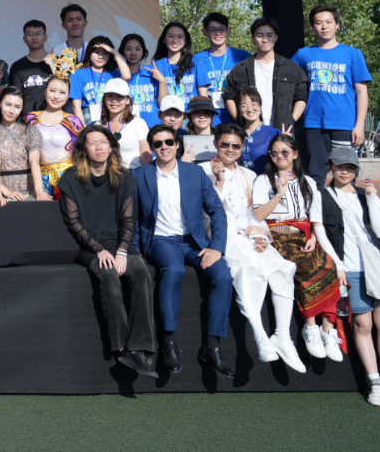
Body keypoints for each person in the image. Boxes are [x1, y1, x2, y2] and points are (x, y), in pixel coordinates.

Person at [133, 124, 235, 377]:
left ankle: (211, 346)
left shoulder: (194, 173)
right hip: (160, 241)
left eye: (169, 142)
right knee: (174, 270)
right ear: (152, 148)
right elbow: (131, 217)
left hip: (194, 241)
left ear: (177, 144)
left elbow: (217, 211)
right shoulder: (139, 175)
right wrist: (136, 250)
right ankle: (168, 342)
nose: (164, 147)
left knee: (223, 276)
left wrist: (217, 248)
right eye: (158, 144)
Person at [58, 125, 156, 378]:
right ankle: (121, 346)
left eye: (103, 142)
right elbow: (73, 222)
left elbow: (129, 220)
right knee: (110, 275)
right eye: (93, 143)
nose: (99, 147)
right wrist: (99, 249)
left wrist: (122, 251)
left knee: (142, 273)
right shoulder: (70, 178)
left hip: (120, 244)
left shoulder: (124, 177)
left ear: (111, 147)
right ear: (84, 149)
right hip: (90, 246)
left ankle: (139, 347)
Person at [319, 147, 380, 406]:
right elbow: (320, 232)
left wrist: (374, 200)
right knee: (363, 325)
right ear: (331, 167)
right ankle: (375, 383)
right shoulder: (322, 196)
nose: (345, 171)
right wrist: (338, 265)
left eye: (350, 167)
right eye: (340, 166)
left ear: (357, 170)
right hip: (350, 271)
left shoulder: (365, 195)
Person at [206, 124, 304, 372]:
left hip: (250, 236)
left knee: (283, 268)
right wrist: (219, 182)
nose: (230, 149)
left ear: (242, 148)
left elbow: (255, 213)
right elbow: (208, 212)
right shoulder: (201, 172)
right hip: (223, 238)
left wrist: (261, 236)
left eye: (236, 145)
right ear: (215, 144)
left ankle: (282, 335)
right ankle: (260, 335)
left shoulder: (250, 175)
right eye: (225, 144)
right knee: (248, 271)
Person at [252, 134, 347, 363]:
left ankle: (328, 329)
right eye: (275, 152)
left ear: (295, 154)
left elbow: (316, 222)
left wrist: (316, 238)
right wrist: (279, 194)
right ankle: (310, 326)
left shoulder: (309, 183)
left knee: (328, 265)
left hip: (304, 235)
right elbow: (259, 215)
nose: (280, 156)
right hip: (277, 236)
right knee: (305, 265)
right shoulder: (263, 181)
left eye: (285, 152)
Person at [293, 5, 371, 185]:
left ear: (337, 25)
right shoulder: (303, 54)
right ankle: (317, 204)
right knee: (315, 175)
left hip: (345, 123)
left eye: (328, 22)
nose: (324, 26)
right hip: (313, 123)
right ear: (312, 27)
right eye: (318, 23)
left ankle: (345, 205)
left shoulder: (353, 54)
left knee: (345, 174)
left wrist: (359, 125)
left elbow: (361, 92)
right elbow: (289, 82)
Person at [222, 17, 307, 132]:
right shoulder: (240, 69)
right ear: (253, 38)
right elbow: (229, 96)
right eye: (260, 35)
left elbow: (301, 97)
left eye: (269, 35)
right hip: (251, 131)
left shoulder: (291, 68)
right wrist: (240, 120)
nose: (265, 40)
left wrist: (290, 122)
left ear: (276, 37)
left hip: (281, 131)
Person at [26, 75, 84, 199]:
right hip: (38, 180)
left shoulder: (73, 121)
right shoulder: (31, 119)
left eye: (62, 92)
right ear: (45, 91)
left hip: (68, 179)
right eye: (52, 90)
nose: (56, 96)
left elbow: (81, 155)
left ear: (68, 96)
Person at [191, 13, 250, 125]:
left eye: (222, 29)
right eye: (213, 29)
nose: (218, 33)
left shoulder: (242, 56)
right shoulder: (196, 59)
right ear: (205, 32)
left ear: (228, 31)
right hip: (209, 121)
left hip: (239, 119)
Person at [0, 87, 41, 201]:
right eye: (8, 105)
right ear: (0, 103)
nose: (12, 111)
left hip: (28, 193)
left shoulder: (30, 131)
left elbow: (35, 162)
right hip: (1, 194)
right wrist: (7, 192)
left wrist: (39, 191)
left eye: (17, 107)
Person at [69, 36, 131, 125]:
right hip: (87, 117)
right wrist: (81, 129)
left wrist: (114, 52)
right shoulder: (79, 74)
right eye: (97, 52)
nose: (100, 57)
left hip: (109, 116)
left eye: (105, 53)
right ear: (89, 52)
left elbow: (127, 76)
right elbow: (76, 106)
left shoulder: (113, 75)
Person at [6, 19, 55, 115]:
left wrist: (53, 65)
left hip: (54, 117)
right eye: (29, 34)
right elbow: (15, 97)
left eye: (38, 33)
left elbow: (66, 88)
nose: (34, 37)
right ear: (24, 39)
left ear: (45, 37)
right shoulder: (17, 67)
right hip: (28, 118)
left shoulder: (57, 62)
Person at [99, 78, 150, 169]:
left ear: (127, 100)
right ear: (104, 99)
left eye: (120, 96)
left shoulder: (139, 123)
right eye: (110, 96)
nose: (114, 100)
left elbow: (147, 160)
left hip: (133, 173)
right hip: (105, 174)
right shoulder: (97, 126)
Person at [235, 88, 281, 175]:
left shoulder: (274, 133)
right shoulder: (235, 134)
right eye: (244, 106)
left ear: (260, 106)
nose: (250, 109)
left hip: (266, 181)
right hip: (242, 181)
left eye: (254, 104)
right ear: (239, 109)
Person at [120, 33, 160, 129]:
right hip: (126, 127)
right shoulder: (117, 77)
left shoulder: (152, 73)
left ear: (143, 52)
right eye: (128, 49)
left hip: (152, 127)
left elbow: (162, 103)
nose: (133, 53)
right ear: (123, 51)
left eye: (137, 49)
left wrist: (162, 81)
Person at [152, 22, 196, 103]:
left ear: (185, 41)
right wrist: (162, 81)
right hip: (167, 110)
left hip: (191, 111)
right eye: (171, 36)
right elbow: (160, 103)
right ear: (164, 39)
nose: (175, 40)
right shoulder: (156, 66)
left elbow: (203, 95)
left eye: (180, 37)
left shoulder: (195, 62)